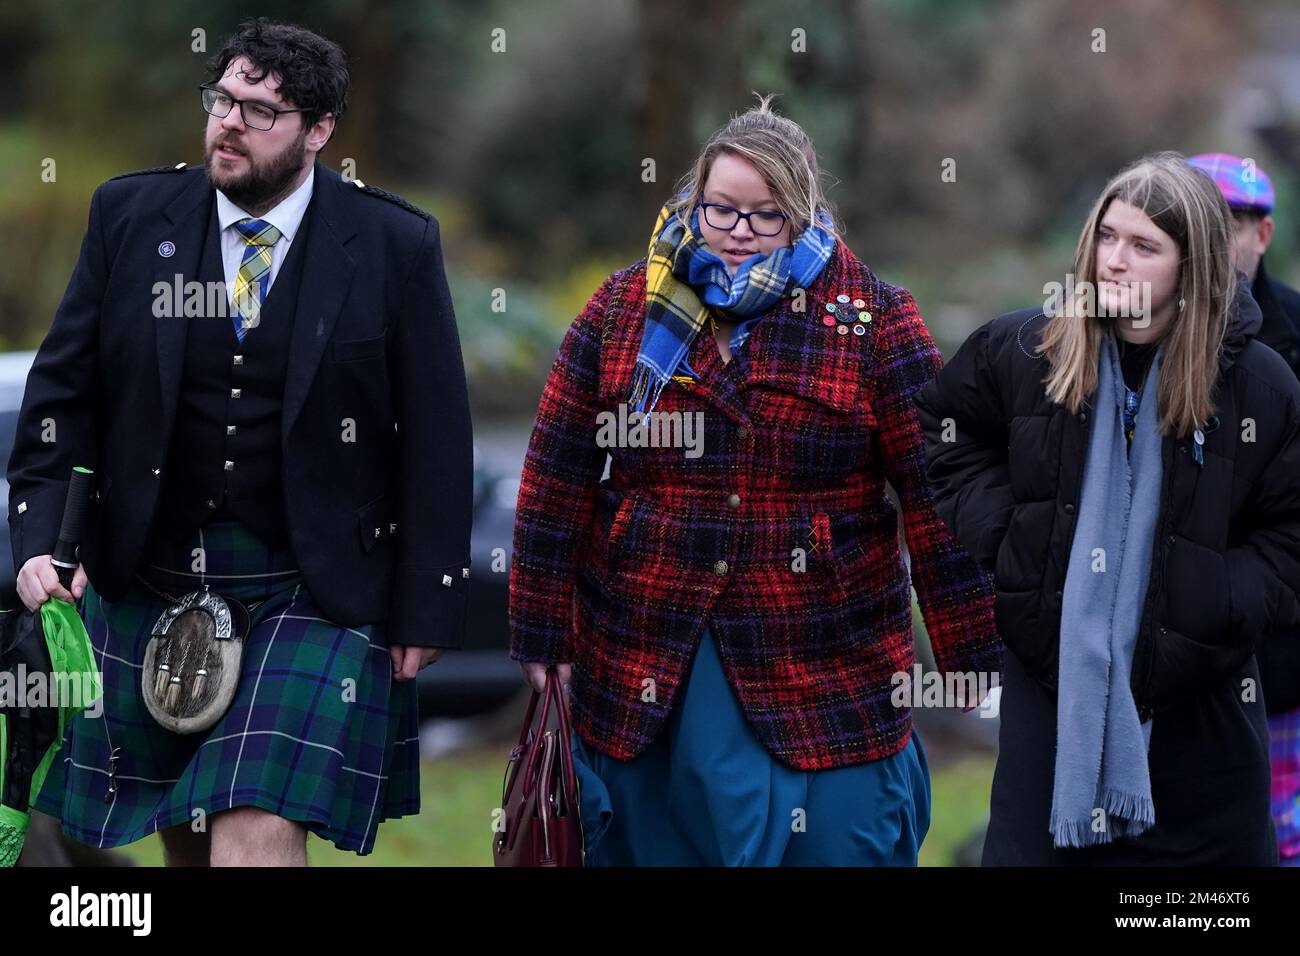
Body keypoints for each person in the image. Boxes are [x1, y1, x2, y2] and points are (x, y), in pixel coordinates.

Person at [7, 19, 473, 865]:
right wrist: (41, 539)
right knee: (187, 832)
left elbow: (436, 438)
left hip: (313, 586)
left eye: (260, 111)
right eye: (221, 98)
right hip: (150, 566)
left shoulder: (391, 244)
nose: (228, 122)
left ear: (319, 130)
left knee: (251, 824)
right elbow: (63, 397)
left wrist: (428, 600)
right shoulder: (129, 214)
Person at [508, 97, 1000, 867]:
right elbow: (554, 476)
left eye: (764, 217)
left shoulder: (873, 319)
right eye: (720, 210)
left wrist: (968, 645)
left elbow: (936, 491)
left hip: (825, 652)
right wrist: (539, 626)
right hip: (646, 644)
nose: (737, 232)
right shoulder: (622, 309)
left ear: (803, 217)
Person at [916, 151, 1300, 865]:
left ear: (1194, 266)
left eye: (1144, 246)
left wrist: (1216, 595)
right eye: (1107, 237)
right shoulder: (1024, 349)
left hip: (1202, 721)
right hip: (1049, 711)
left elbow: (1291, 531)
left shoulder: (1258, 382)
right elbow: (944, 432)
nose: (1114, 262)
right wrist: (1013, 542)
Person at [1188, 152, 1300, 867]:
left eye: (1236, 221)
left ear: (1262, 234)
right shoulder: (1131, 334)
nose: (1222, 236)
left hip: (1284, 647)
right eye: (1207, 219)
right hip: (1177, 648)